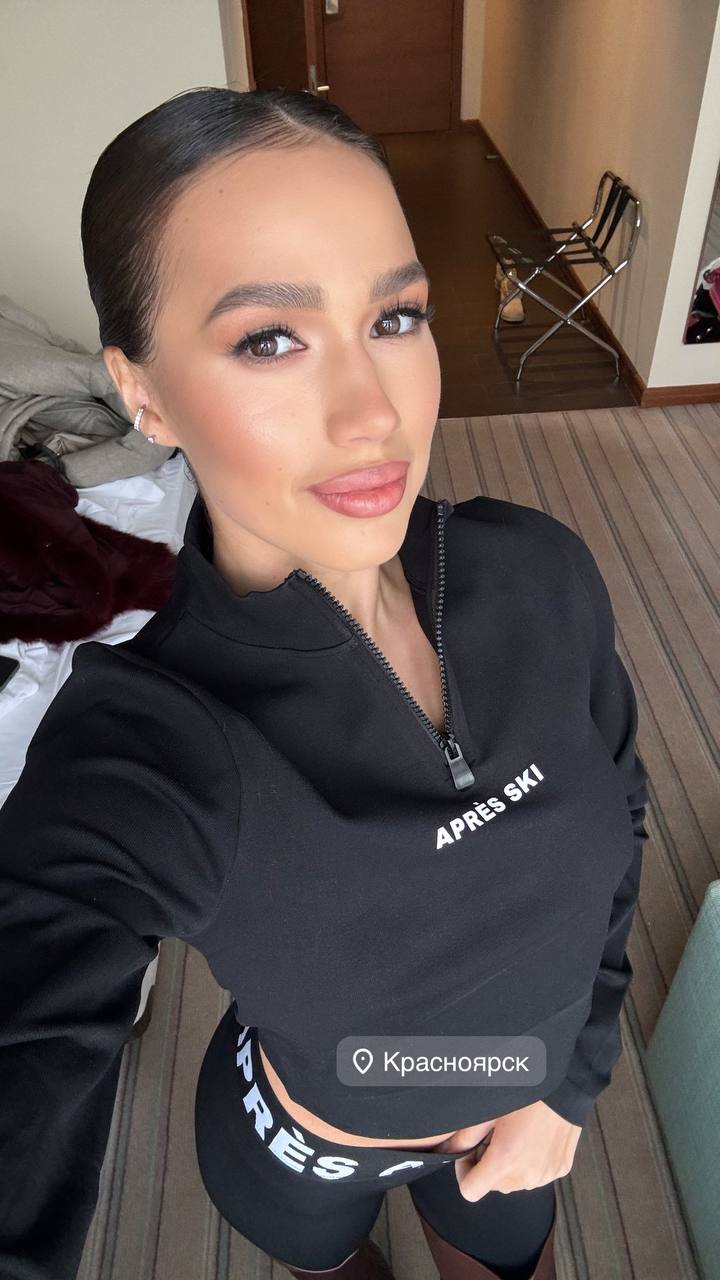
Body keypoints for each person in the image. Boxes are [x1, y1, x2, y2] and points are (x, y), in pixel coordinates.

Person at [0, 87, 649, 1280]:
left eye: (395, 317)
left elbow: (624, 810)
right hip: (300, 1151)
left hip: (521, 1117)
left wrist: (570, 1082)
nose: (372, 412)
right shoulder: (146, 743)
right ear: (143, 394)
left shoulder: (541, 573)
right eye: (270, 338)